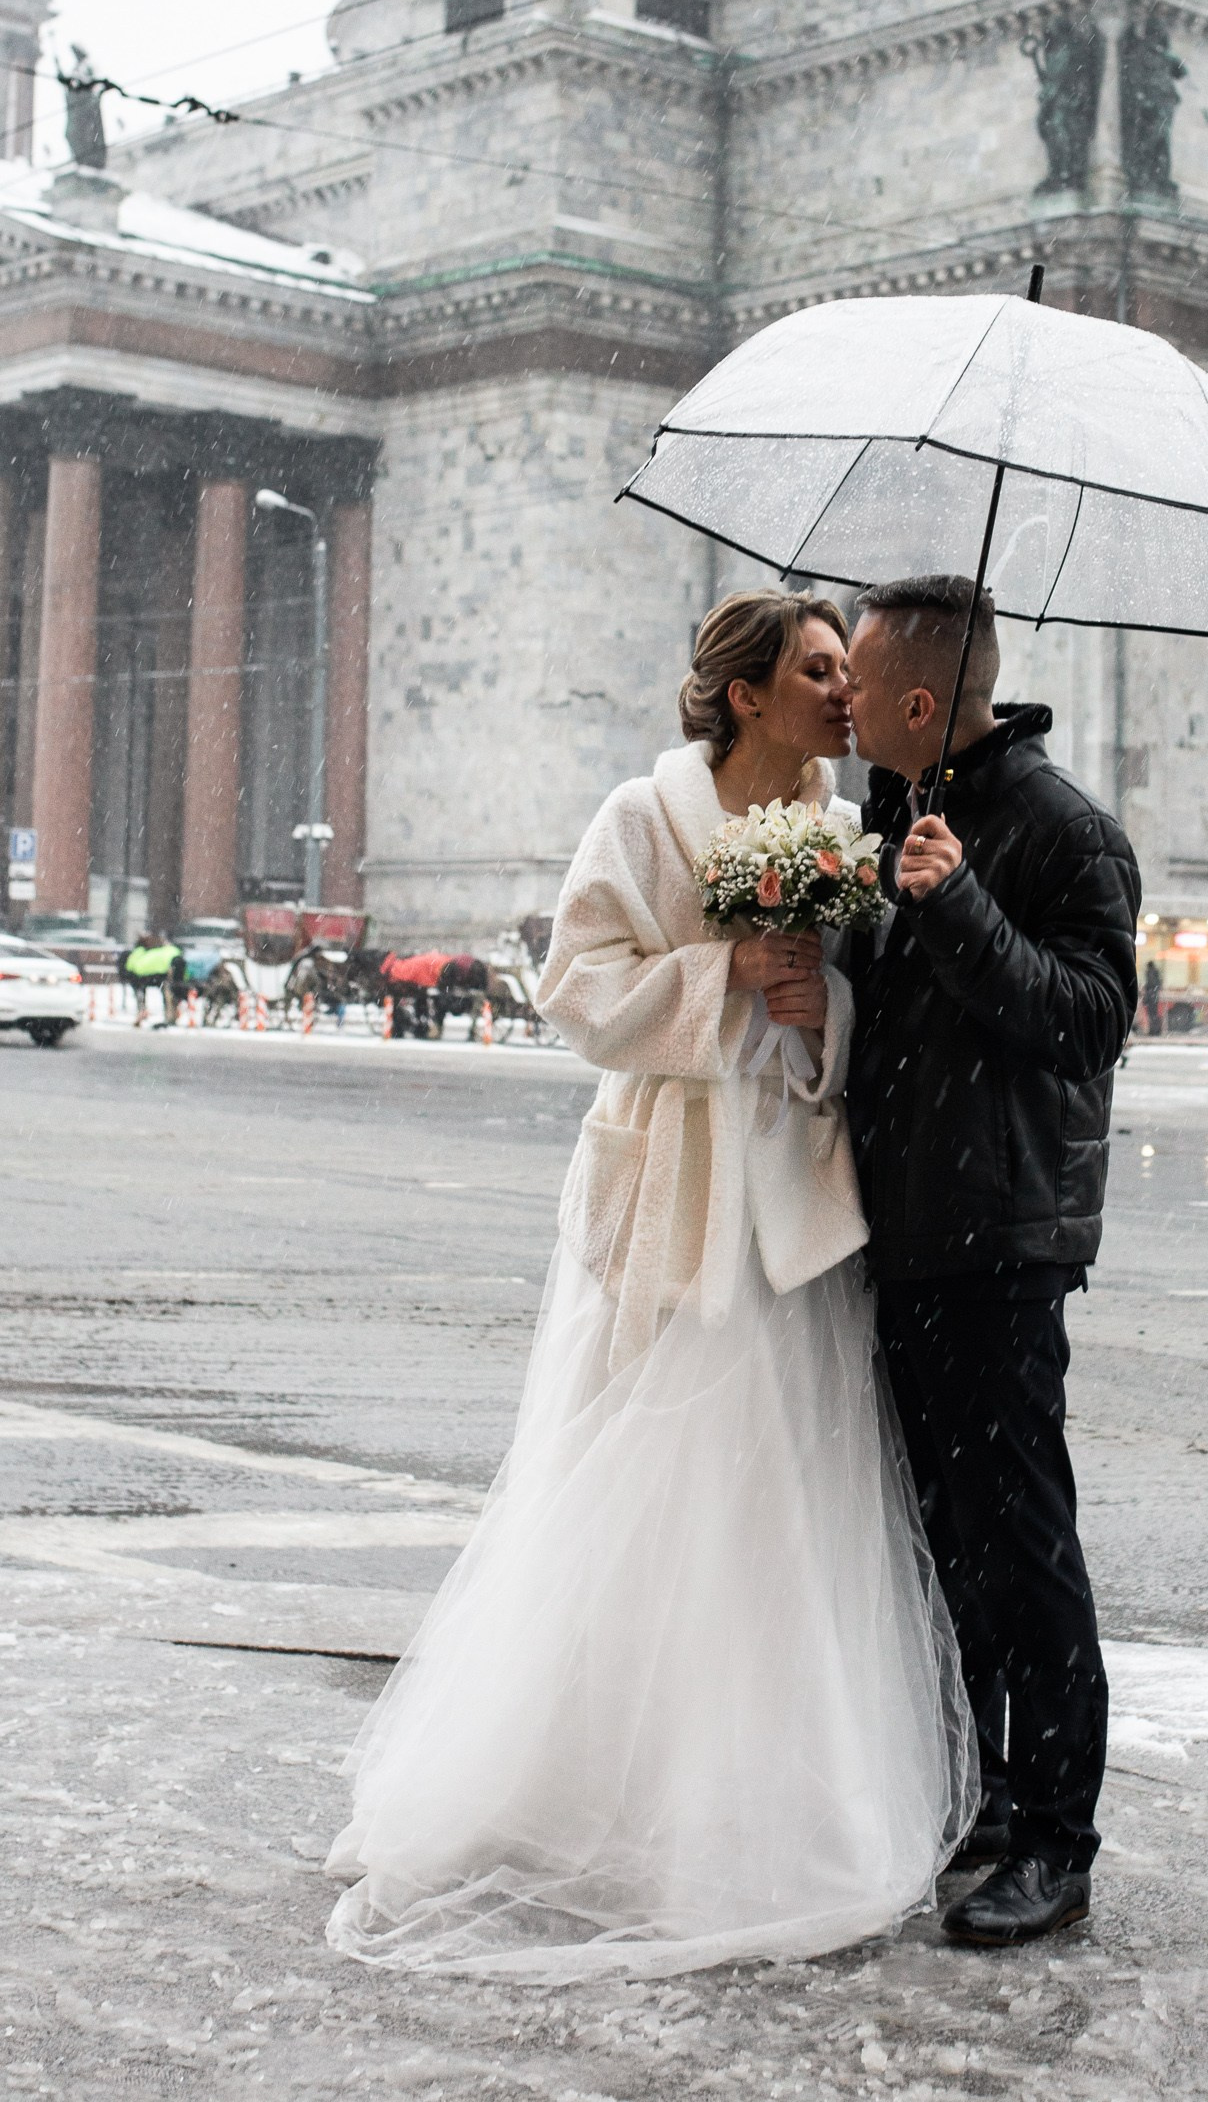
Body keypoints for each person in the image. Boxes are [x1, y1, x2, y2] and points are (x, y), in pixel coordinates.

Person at [326, 590, 972, 1977]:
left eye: (845, 673)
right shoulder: (641, 817)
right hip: (669, 1196)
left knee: (774, 1511)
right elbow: (576, 990)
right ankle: (600, 1801)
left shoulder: (849, 831)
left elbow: (841, 1021)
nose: (844, 693)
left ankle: (757, 1807)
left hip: (787, 1214)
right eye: (816, 671)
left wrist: (820, 1015)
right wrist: (719, 973)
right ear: (745, 692)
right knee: (643, 1496)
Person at [844, 576, 1140, 1950]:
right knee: (943, 1544)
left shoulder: (1064, 831)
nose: (838, 696)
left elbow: (1087, 1024)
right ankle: (986, 1792)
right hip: (903, 1228)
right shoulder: (892, 812)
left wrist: (958, 906)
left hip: (1002, 1240)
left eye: (856, 676)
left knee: (1022, 1545)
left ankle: (1059, 1837)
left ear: (919, 700)